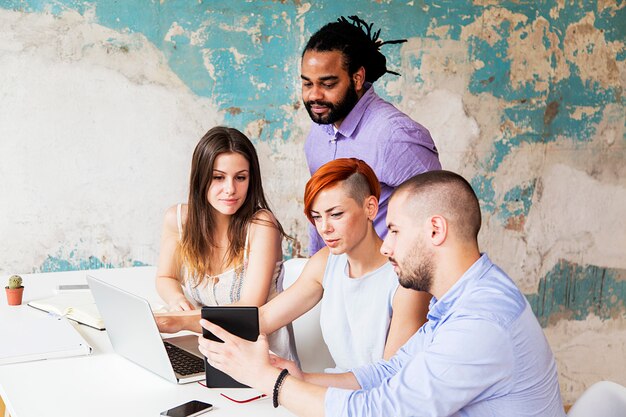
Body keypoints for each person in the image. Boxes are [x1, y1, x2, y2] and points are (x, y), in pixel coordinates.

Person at [198, 170, 567, 417]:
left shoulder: (481, 321)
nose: (387, 246)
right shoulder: (464, 297)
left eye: (394, 231)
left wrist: (269, 382)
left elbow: (383, 410)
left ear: (435, 230)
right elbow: (391, 372)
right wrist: (298, 378)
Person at [259, 158, 430, 372]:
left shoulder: (406, 280)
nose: (324, 228)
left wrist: (299, 381)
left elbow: (389, 379)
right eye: (316, 217)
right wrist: (205, 323)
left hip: (377, 398)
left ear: (370, 207)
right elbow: (265, 318)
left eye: (336, 214)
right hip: (333, 389)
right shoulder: (324, 263)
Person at [302, 15, 441, 254]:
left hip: (392, 280)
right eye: (307, 84)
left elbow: (439, 214)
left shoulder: (394, 135)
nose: (314, 95)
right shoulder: (318, 134)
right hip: (337, 277)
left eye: (327, 84)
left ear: (357, 78)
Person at [155, 126, 296, 361]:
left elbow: (248, 307)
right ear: (201, 178)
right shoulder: (178, 220)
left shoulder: (261, 226)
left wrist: (179, 322)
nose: (230, 189)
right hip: (209, 351)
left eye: (240, 177)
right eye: (218, 177)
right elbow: (165, 277)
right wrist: (176, 300)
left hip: (261, 358)